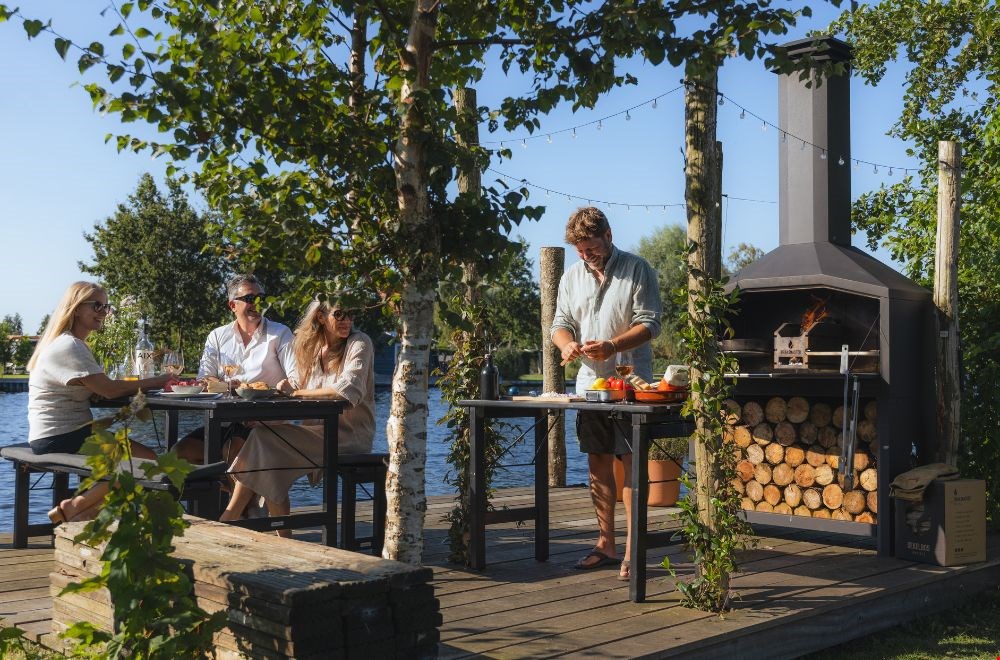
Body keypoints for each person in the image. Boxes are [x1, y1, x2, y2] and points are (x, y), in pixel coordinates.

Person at [550, 207, 662, 580]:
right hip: (590, 388)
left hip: (632, 386)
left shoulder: (638, 268)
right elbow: (560, 324)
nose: (586, 256)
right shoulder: (570, 276)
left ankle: (633, 547)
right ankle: (605, 543)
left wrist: (613, 346)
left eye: (591, 248)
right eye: (580, 251)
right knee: (597, 463)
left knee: (630, 465)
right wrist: (566, 345)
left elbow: (650, 324)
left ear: (609, 235)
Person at [219, 297, 376, 533]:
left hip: (349, 435)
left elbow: (347, 391)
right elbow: (294, 388)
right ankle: (281, 533)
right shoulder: (312, 350)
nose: (347, 321)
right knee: (264, 436)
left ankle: (230, 518)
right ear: (321, 317)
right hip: (315, 431)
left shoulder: (359, 342)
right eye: (340, 314)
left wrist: (297, 391)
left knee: (265, 442)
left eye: (351, 314)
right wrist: (275, 394)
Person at [27, 281, 175, 523]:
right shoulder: (69, 345)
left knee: (137, 463)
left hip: (57, 434)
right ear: (75, 308)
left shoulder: (68, 342)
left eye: (106, 307)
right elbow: (108, 390)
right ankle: (76, 507)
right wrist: (157, 381)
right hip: (63, 436)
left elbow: (95, 388)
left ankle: (80, 514)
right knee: (150, 462)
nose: (104, 313)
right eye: (97, 306)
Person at [173, 274, 297, 463]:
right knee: (179, 452)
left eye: (261, 298)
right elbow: (204, 378)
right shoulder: (217, 336)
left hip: (264, 423)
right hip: (223, 422)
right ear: (232, 305)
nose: (257, 303)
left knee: (234, 451)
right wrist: (226, 385)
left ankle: (234, 491)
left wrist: (274, 408)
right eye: (249, 299)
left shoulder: (280, 334)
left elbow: (295, 379)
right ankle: (224, 489)